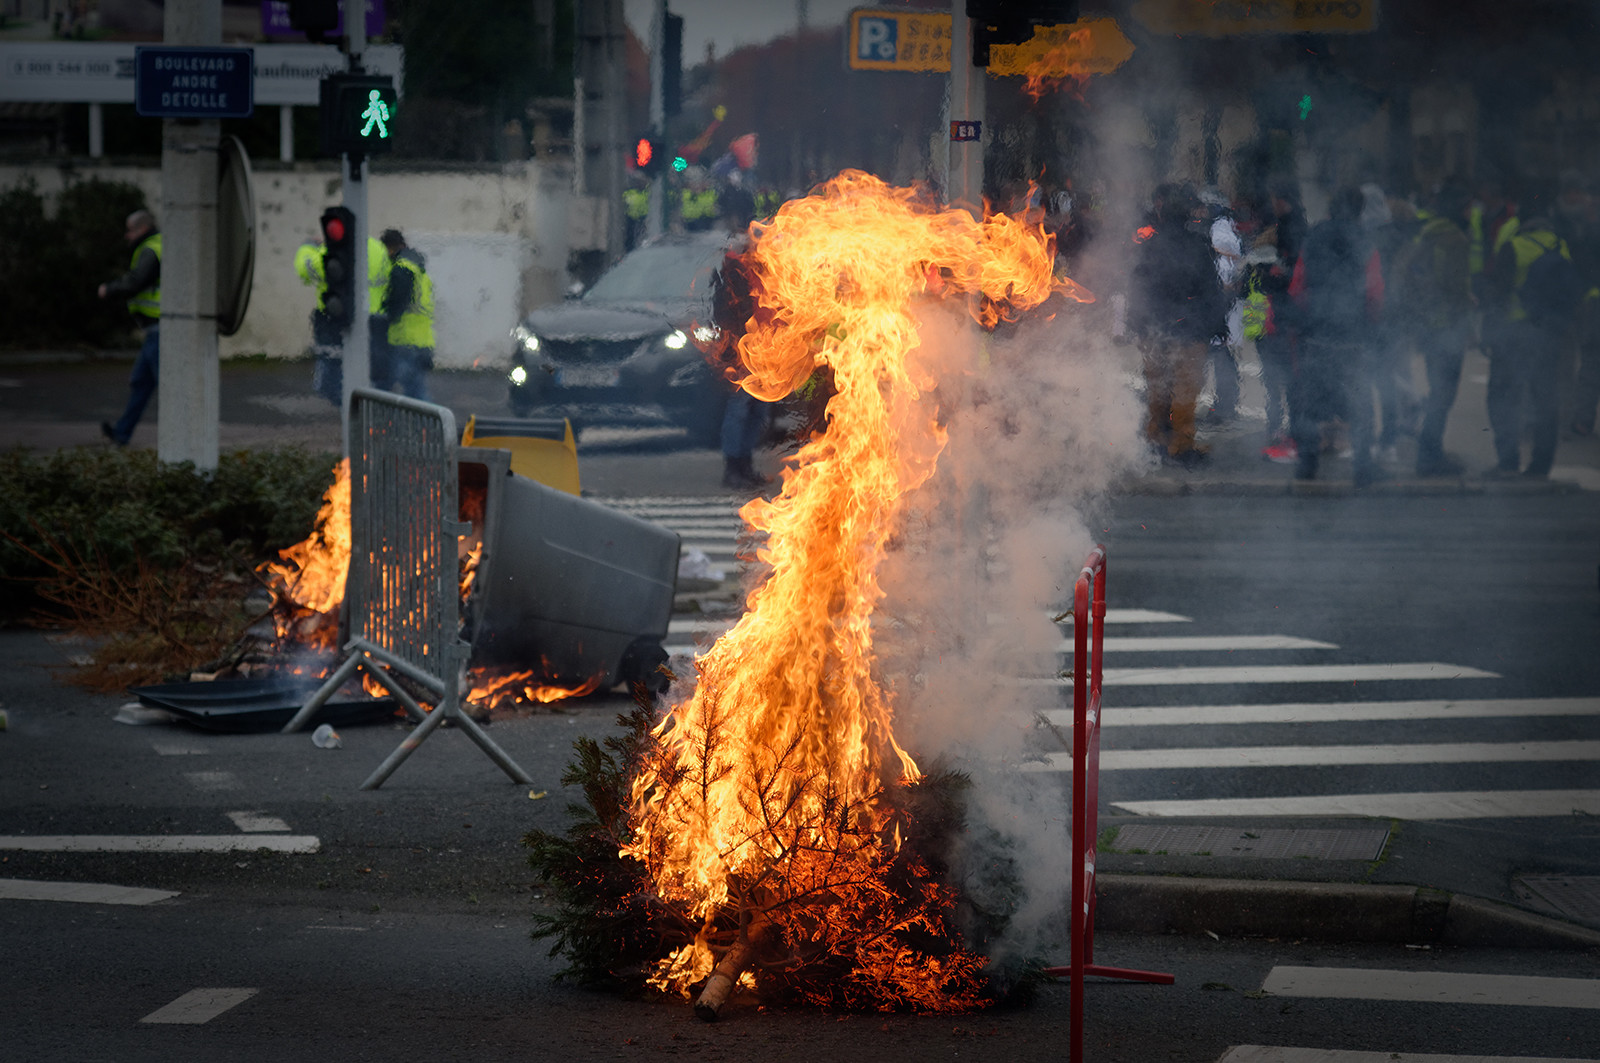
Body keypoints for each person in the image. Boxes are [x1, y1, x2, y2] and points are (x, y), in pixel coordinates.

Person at [1288, 185, 1386, 485]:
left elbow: (1297, 287)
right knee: (1359, 405)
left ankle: (1307, 464)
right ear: (1359, 210)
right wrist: (1371, 326)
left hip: (1317, 337)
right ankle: (1363, 468)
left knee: (1310, 402)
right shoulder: (1366, 242)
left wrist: (1307, 321)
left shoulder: (1313, 238)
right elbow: (1375, 294)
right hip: (1353, 339)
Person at [1129, 183, 1227, 469]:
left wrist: (1137, 326)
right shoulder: (1197, 246)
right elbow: (1210, 290)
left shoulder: (1149, 247)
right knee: (1185, 390)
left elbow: (1137, 288)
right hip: (1189, 330)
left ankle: (1156, 439)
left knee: (1157, 388)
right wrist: (1216, 326)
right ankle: (1181, 446)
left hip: (1155, 329)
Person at [1484, 192, 1574, 479]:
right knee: (1544, 399)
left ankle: (1508, 460)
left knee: (1502, 396)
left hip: (1514, 333)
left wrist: (1488, 333)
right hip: (1548, 334)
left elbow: (1498, 296)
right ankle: (1541, 464)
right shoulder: (1561, 247)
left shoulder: (1514, 247)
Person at [1392, 182, 1473, 476]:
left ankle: (1430, 452)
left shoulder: (1426, 233)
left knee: (1437, 390)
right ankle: (1430, 455)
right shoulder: (1454, 240)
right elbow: (1455, 287)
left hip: (1427, 327)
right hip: (1448, 328)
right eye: (1467, 206)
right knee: (1443, 394)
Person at [97, 209, 161, 447]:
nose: (127, 235)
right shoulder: (157, 244)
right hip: (154, 330)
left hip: (160, 329)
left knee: (170, 386)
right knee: (141, 382)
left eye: (130, 230)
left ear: (142, 229)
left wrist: (109, 289)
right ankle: (122, 433)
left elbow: (136, 282)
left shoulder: (151, 248)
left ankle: (187, 434)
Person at [1256, 184, 1306, 462]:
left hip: (1283, 320)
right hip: (1285, 321)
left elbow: (1293, 277)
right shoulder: (1294, 226)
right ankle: (1290, 435)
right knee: (1288, 381)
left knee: (1284, 381)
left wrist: (1272, 275)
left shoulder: (1290, 230)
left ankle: (1288, 438)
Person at [378, 229, 435, 401]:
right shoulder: (419, 270)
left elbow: (397, 305)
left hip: (405, 340)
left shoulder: (402, 269)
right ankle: (425, 425)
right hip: (422, 340)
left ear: (389, 248)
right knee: (414, 389)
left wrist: (384, 316)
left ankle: (430, 426)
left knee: (412, 391)